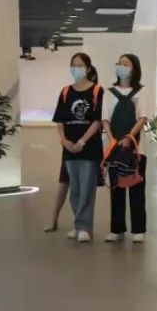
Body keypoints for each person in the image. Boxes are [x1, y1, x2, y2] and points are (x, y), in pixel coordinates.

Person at [52, 53, 104, 242]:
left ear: (88, 68)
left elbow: (97, 120)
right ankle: (79, 224)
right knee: (74, 190)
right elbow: (60, 119)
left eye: (80, 65)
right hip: (69, 148)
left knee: (86, 189)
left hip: (89, 148)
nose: (76, 68)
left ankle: (84, 227)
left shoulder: (97, 91)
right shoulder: (66, 91)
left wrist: (82, 141)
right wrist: (64, 140)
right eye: (73, 65)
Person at [102, 54, 152, 243]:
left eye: (126, 63)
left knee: (137, 187)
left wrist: (129, 138)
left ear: (134, 68)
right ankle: (117, 229)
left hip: (137, 148)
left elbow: (143, 117)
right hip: (115, 148)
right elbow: (105, 119)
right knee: (116, 188)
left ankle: (138, 229)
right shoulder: (109, 92)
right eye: (119, 63)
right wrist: (112, 140)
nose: (121, 66)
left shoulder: (142, 91)